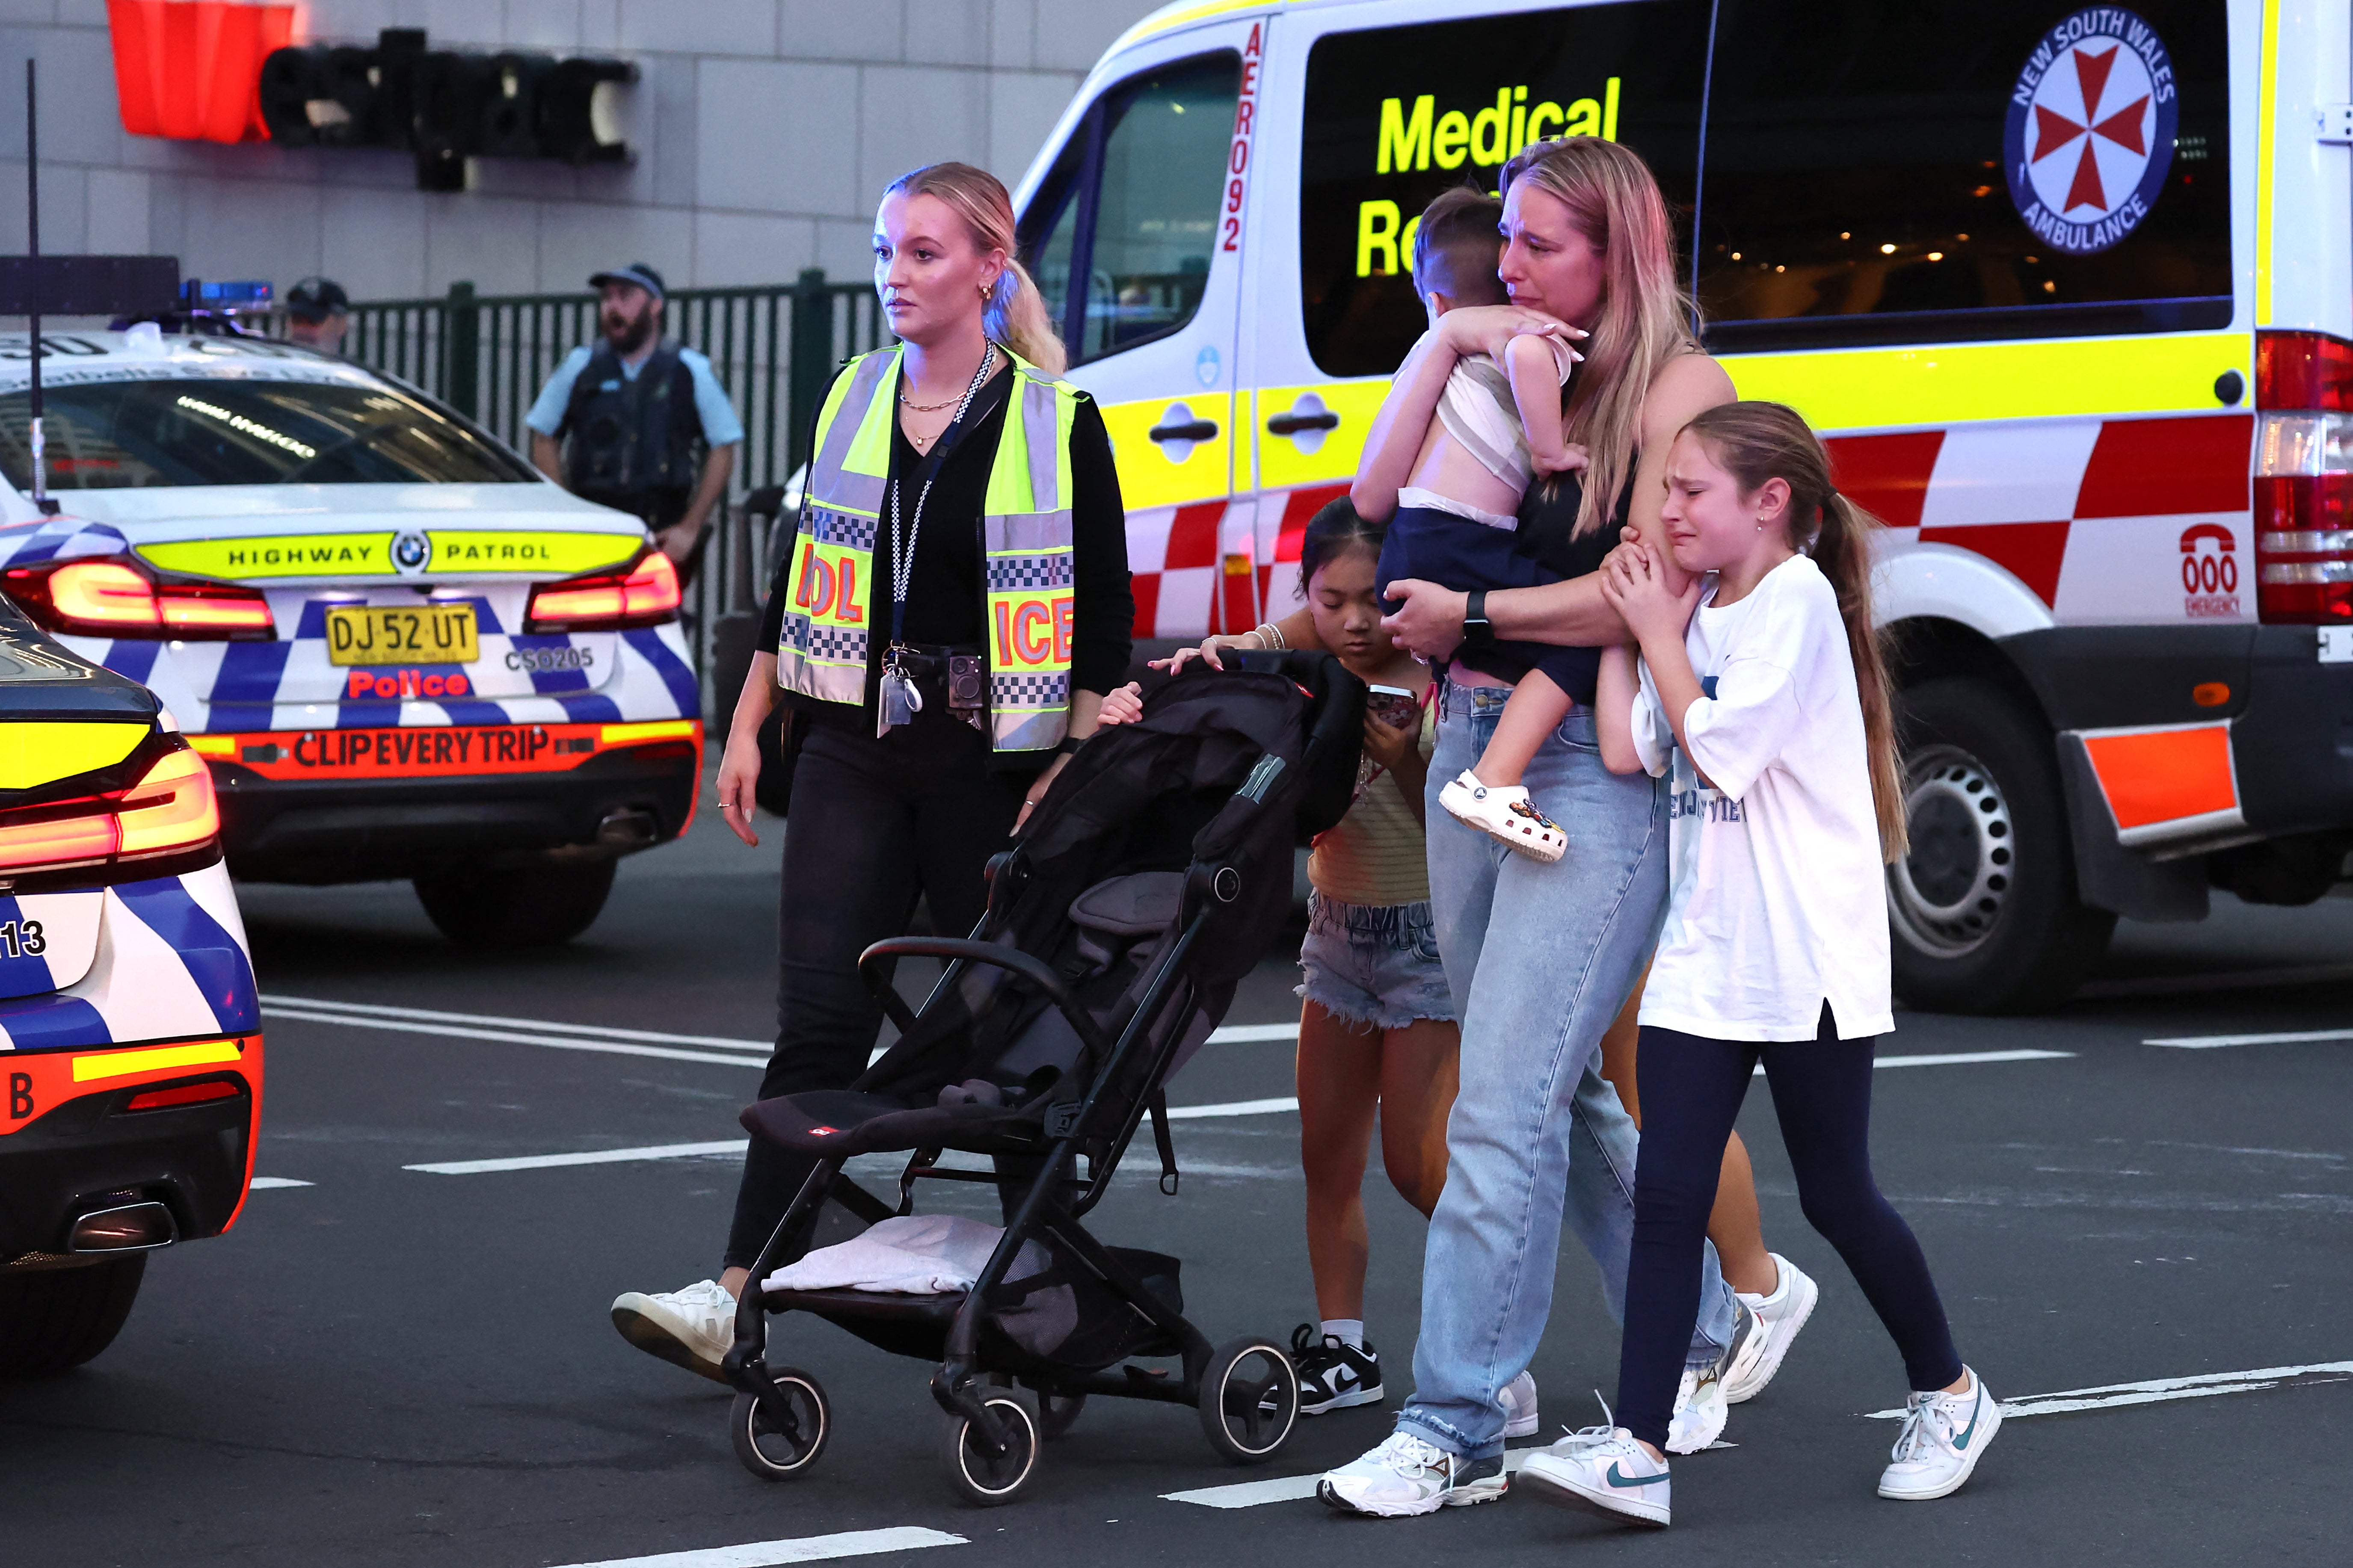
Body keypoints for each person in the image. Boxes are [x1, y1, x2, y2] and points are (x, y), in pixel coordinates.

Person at [606, 163, 1132, 1381]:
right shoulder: (850, 396)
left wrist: (1072, 773)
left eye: (924, 254)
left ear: (990, 268)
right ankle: (734, 1297)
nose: (894, 275)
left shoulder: (1058, 423)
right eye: (887, 250)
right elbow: (796, 579)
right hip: (849, 742)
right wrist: (744, 726)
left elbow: (1101, 626)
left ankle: (1031, 1307)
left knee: (1010, 1033)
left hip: (990, 763)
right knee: (820, 1026)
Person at [1519, 402, 1996, 1524]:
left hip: (1805, 957)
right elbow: (1635, 745)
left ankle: (1951, 1389)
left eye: (1690, 491)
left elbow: (1719, 753)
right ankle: (1638, 1450)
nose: (1669, 508)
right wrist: (1630, 625)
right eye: (1666, 490)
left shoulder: (1793, 604)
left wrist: (1658, 635)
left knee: (1836, 1193)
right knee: (1668, 1193)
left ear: (1767, 503)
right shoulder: (1702, 608)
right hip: (1707, 953)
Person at [1104, 501, 1520, 1428]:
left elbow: (1476, 823)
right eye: (1331, 602)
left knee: (1417, 1163)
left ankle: (1495, 1347)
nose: (1356, 621)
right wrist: (1160, 683)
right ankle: (1344, 1347)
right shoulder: (1309, 655)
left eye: (1372, 599)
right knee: (1325, 1158)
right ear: (1309, 598)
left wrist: (1405, 761)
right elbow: (1223, 663)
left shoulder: (1441, 671)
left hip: (1428, 936)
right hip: (1336, 934)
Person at [1365, 186, 1585, 863]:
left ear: (1433, 300)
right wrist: (1552, 453)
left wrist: (1444, 337)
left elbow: (1371, 496)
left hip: (1411, 540)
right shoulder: (1525, 340)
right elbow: (1525, 360)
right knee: (1586, 639)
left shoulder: (1434, 360)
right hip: (1463, 536)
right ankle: (1495, 780)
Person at [525, 262, 745, 579]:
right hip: (594, 532)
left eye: (625, 296)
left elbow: (724, 446)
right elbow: (543, 435)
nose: (612, 307)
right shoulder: (581, 366)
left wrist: (690, 528)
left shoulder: (688, 369)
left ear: (656, 305)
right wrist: (566, 513)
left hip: (661, 537)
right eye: (607, 298)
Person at [283, 276, 350, 354]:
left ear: (341, 326)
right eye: (298, 321)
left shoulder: (348, 367)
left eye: (313, 322)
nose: (302, 329)